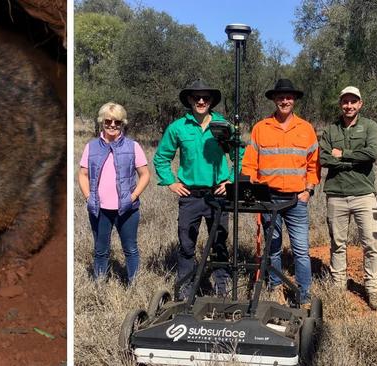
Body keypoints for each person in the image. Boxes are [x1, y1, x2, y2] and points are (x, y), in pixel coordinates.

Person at [153, 79, 243, 301]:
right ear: (189, 100)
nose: (201, 101)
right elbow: (162, 158)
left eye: (206, 97)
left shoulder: (224, 126)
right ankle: (185, 289)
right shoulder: (178, 127)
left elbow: (239, 155)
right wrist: (171, 182)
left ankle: (222, 289)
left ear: (211, 101)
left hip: (218, 195)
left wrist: (231, 180)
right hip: (190, 196)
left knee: (219, 243)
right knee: (186, 244)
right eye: (196, 97)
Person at [242, 79, 320, 306]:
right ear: (274, 100)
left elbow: (314, 164)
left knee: (301, 251)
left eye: (288, 97)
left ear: (294, 100)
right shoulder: (260, 128)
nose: (284, 101)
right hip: (268, 200)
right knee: (273, 248)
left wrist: (309, 190)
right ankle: (275, 289)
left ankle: (303, 296)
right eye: (280, 97)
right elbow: (249, 164)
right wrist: (253, 191)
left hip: (296, 200)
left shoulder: (306, 129)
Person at [319, 86, 377, 310]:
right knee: (338, 243)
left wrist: (343, 154)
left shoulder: (370, 126)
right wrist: (354, 159)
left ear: (360, 104)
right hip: (336, 195)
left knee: (372, 243)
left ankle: (372, 288)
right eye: (345, 102)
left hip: (364, 195)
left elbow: (372, 153)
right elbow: (324, 158)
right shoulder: (330, 130)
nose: (349, 106)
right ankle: (338, 286)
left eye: (353, 102)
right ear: (340, 104)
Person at [78, 102, 150, 284]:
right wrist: (88, 197)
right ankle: (99, 285)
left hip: (127, 208)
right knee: (101, 250)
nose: (112, 125)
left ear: (122, 123)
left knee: (130, 248)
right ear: (102, 121)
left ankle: (134, 285)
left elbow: (145, 175)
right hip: (99, 208)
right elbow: (83, 174)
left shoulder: (133, 146)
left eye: (117, 122)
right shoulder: (91, 147)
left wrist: (132, 197)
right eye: (108, 121)